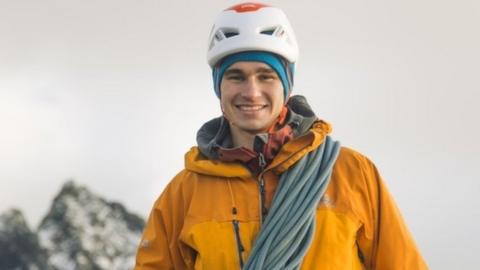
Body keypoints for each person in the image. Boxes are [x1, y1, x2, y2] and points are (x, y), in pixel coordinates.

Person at [134, 2, 427, 269]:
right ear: (218, 86)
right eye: (236, 76)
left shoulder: (352, 175)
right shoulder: (184, 194)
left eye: (266, 76)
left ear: (286, 85)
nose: (251, 92)